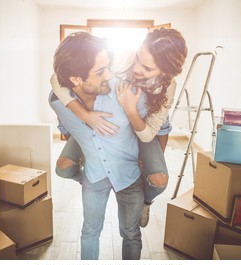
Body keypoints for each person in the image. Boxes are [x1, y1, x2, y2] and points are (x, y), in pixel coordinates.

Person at [51, 28, 188, 227]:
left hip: (142, 127)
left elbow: (149, 133)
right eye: (138, 59)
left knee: (158, 180)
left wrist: (131, 110)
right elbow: (57, 78)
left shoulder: (168, 87)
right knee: (63, 168)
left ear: (167, 72)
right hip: (104, 121)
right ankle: (94, 181)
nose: (137, 69)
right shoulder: (121, 58)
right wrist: (86, 116)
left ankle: (145, 202)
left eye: (148, 69)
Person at [49, 32, 153, 260]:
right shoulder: (57, 102)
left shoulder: (128, 92)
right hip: (94, 177)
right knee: (89, 231)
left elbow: (156, 130)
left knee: (131, 233)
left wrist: (150, 165)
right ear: (75, 79)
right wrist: (84, 121)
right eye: (100, 71)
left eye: (108, 66)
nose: (109, 75)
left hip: (129, 176)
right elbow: (65, 126)